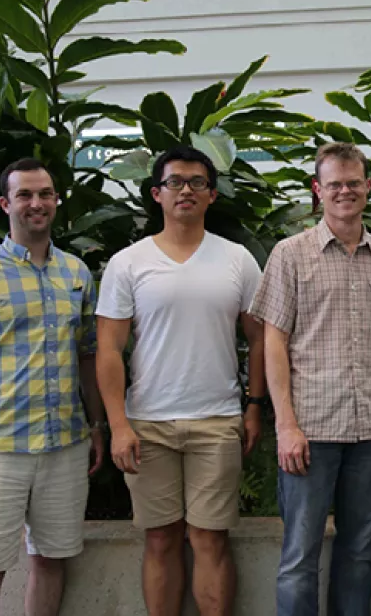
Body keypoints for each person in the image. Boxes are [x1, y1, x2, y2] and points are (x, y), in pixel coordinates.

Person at [96, 146, 265, 616]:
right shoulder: (128, 263)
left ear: (211, 195)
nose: (185, 190)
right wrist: (118, 425)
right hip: (147, 423)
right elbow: (109, 349)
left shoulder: (238, 261)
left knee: (210, 537)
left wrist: (254, 407)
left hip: (217, 420)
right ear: (157, 194)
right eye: (175, 182)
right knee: (161, 538)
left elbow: (259, 338)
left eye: (196, 182)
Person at [0, 158, 106, 616]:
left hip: (64, 446)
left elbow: (87, 356)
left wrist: (96, 426)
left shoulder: (76, 274)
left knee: (51, 562)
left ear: (56, 201)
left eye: (45, 194)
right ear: (5, 203)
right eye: (26, 195)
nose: (37, 203)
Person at [248, 142, 371, 616]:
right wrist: (286, 426)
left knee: (360, 554)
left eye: (353, 183)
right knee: (299, 558)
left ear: (367, 188)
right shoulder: (290, 254)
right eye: (334, 184)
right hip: (310, 431)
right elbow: (273, 343)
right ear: (318, 191)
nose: (345, 192)